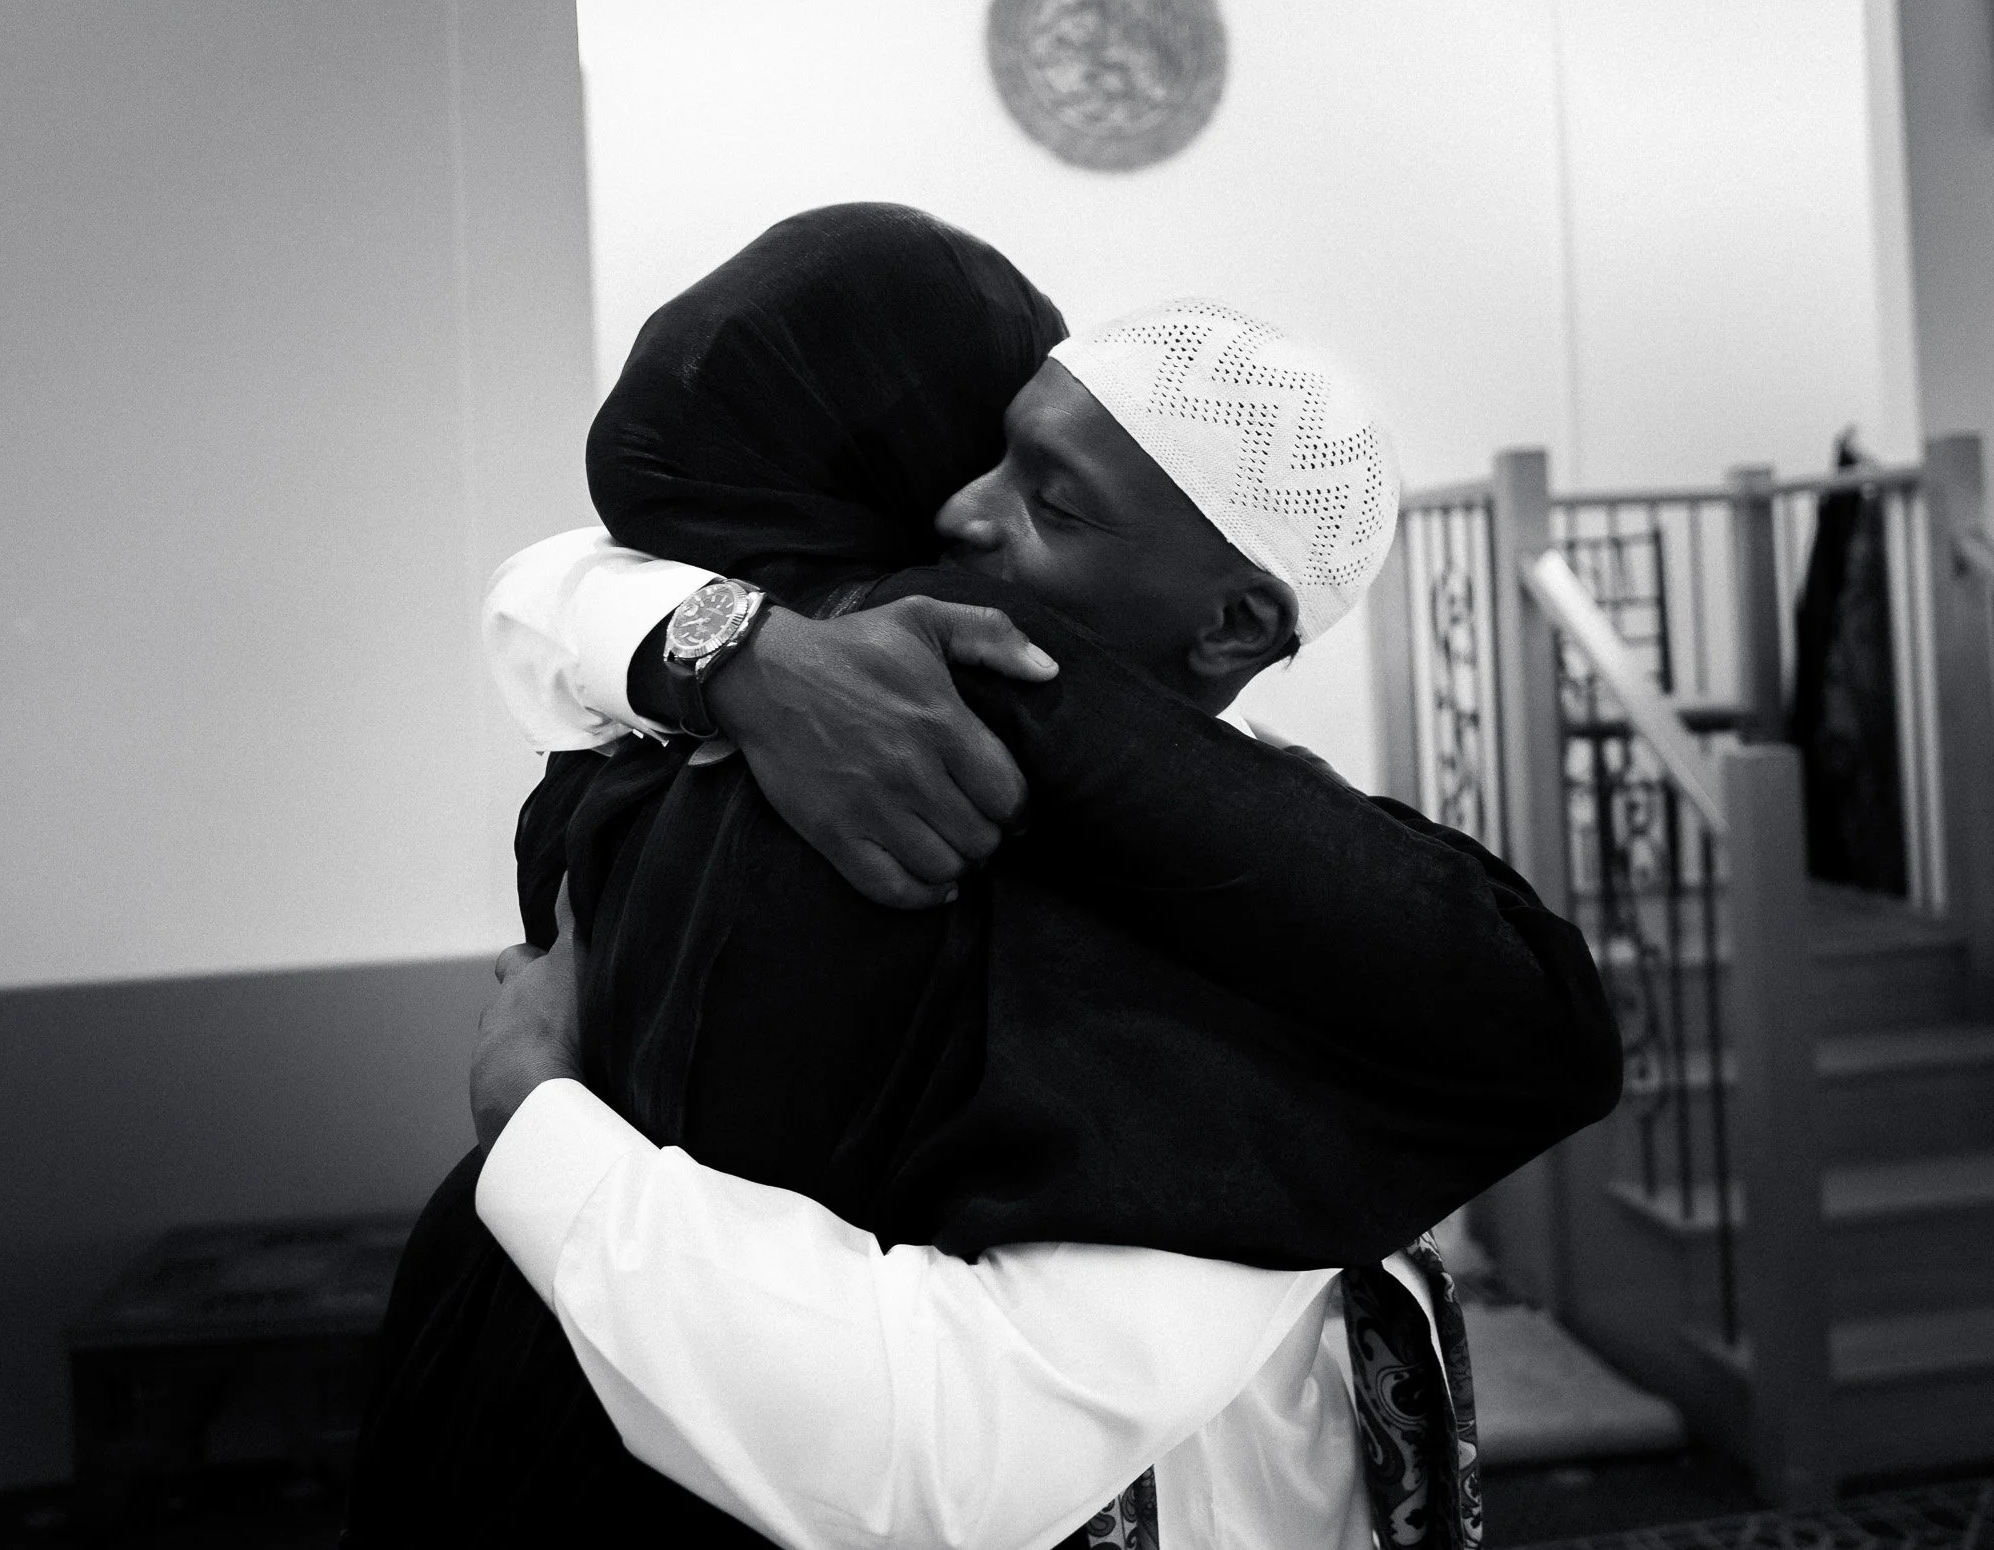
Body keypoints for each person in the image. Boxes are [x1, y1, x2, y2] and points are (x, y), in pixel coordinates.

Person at [346, 205, 1618, 1549]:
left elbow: (946, 1456)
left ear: (1239, 618)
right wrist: (746, 644)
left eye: (1050, 501)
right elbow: (552, 590)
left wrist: (535, 1115)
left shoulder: (1269, 921)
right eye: (986, 457)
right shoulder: (782, 732)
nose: (962, 512)